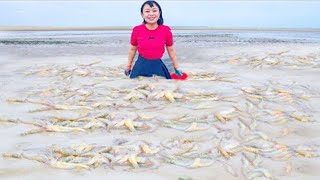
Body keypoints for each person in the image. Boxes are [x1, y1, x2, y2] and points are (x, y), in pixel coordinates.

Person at [125, 0, 183, 79]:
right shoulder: (137, 30)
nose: (151, 14)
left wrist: (176, 67)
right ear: (142, 14)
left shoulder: (165, 30)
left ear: (159, 13)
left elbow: (171, 50)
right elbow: (132, 49)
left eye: (154, 11)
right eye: (147, 11)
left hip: (158, 65)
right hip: (140, 66)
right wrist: (128, 66)